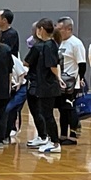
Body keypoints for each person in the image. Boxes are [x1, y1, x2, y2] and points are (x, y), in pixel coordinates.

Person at [24, 19, 63, 154]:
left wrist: (58, 78)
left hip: (48, 85)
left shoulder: (48, 45)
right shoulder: (49, 44)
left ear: (40, 29)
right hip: (44, 84)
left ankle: (55, 142)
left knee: (48, 115)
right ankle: (51, 140)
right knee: (46, 114)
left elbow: (52, 65)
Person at [55, 17, 87, 145]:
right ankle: (63, 135)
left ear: (68, 29)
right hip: (61, 81)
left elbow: (82, 64)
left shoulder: (76, 43)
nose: (58, 31)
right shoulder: (59, 43)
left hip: (72, 82)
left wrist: (80, 79)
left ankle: (73, 135)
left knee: (70, 109)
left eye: (60, 29)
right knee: (62, 109)